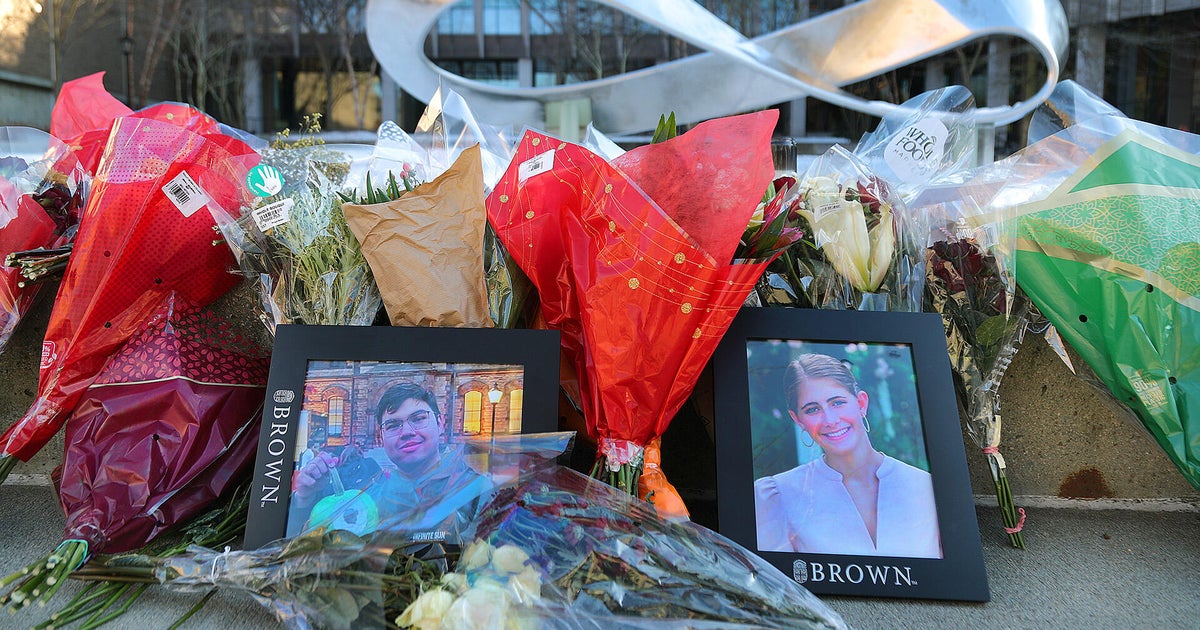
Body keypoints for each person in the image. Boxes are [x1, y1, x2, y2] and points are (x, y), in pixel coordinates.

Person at [754, 353, 941, 558]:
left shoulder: (926, 487)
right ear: (798, 419)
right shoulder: (778, 497)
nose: (830, 420)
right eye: (813, 409)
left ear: (861, 403)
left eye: (837, 403)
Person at [291, 383, 492, 542]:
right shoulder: (368, 493)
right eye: (393, 425)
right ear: (381, 436)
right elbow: (309, 544)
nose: (407, 432)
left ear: (440, 424)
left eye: (418, 418)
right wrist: (304, 498)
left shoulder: (478, 491)